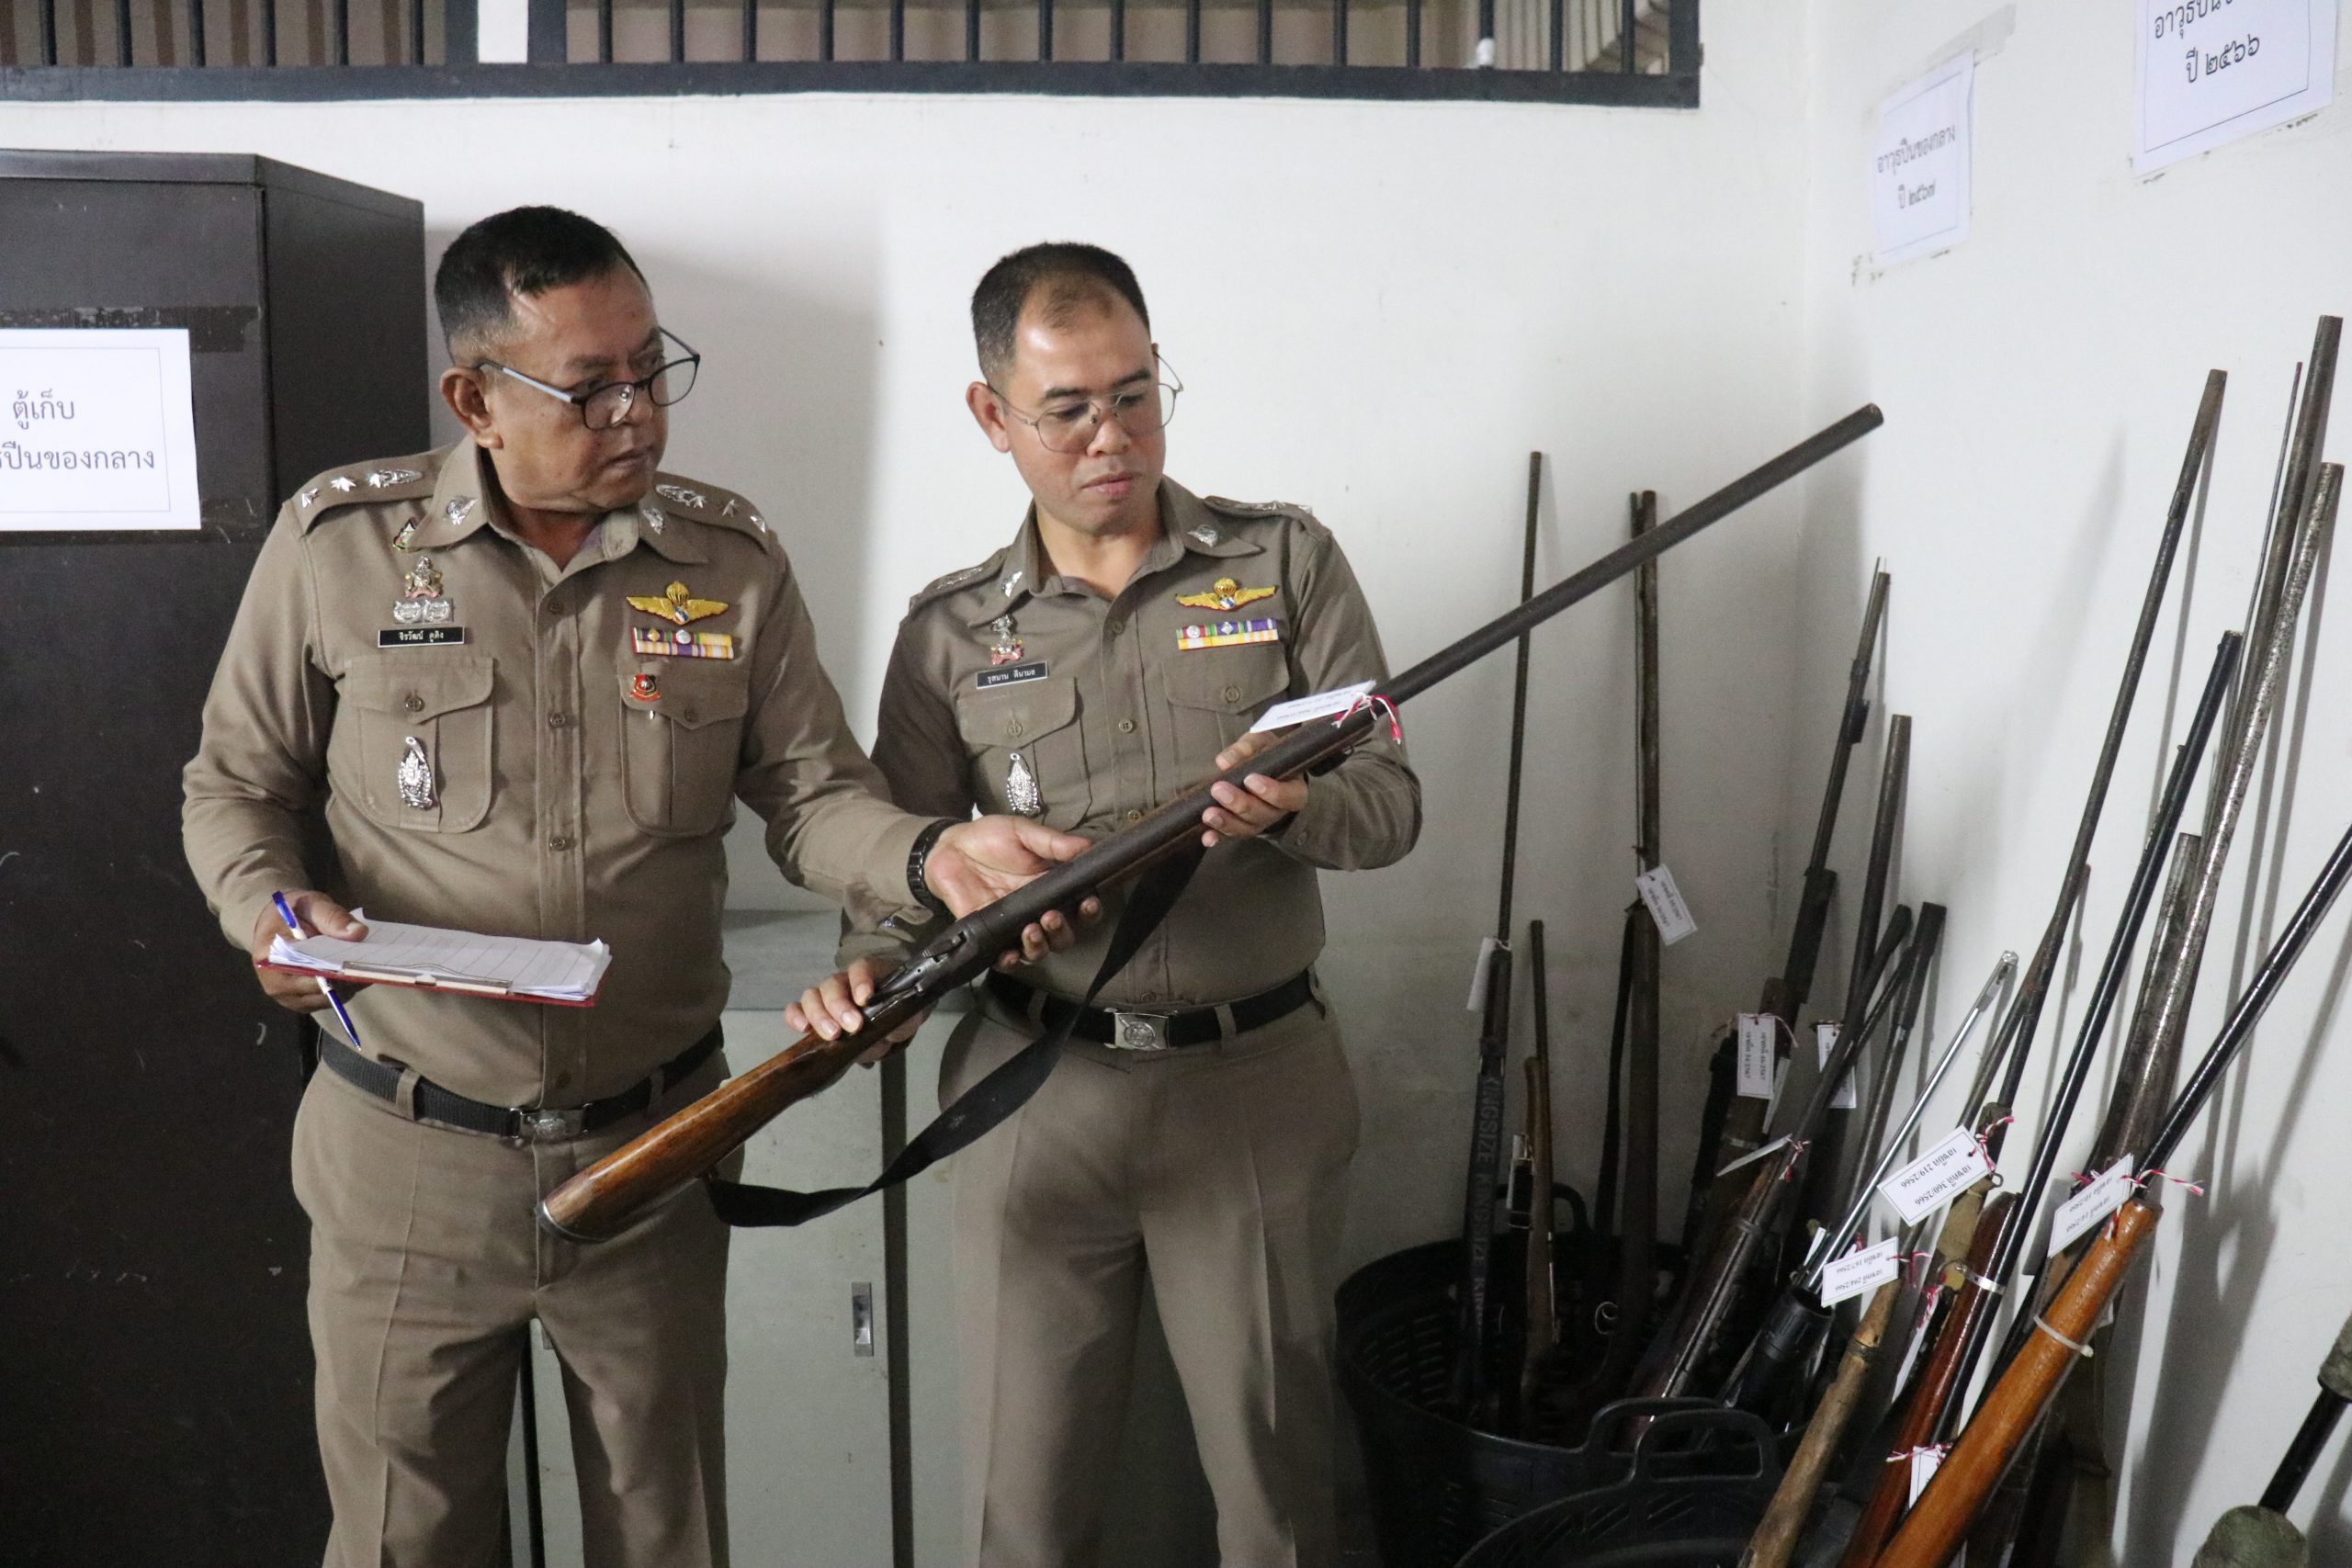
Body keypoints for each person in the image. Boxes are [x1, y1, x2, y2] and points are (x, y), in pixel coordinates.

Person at [181, 206, 1091, 1568]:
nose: (638, 414)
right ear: (476, 400)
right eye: (591, 386)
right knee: (403, 1538)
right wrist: (269, 909)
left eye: (651, 369)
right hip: (408, 1154)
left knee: (665, 1529)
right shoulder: (341, 547)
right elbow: (234, 785)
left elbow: (812, 796)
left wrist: (928, 854)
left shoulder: (727, 563)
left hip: (652, 1150)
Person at [792, 242, 1422, 1566]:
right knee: (1023, 1508)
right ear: (993, 416)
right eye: (1068, 409)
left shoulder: (1286, 564)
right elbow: (907, 867)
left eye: (1136, 395)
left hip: (1253, 1088)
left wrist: (1293, 808)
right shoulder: (951, 633)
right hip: (1035, 1093)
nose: (1112, 437)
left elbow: (1390, 805)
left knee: (1278, 1502)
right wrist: (874, 973)